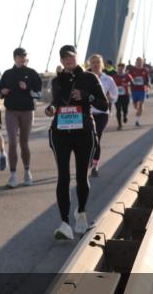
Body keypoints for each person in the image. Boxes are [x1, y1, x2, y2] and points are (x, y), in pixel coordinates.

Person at [44, 45, 108, 240]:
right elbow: (56, 101)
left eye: (70, 57)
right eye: (63, 58)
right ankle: (64, 223)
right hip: (60, 133)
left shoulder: (90, 78)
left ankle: (81, 212)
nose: (67, 60)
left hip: (84, 133)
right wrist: (51, 109)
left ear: (77, 57)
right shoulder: (57, 80)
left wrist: (86, 97)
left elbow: (103, 104)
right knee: (63, 177)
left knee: (81, 176)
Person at [0, 47, 42, 188]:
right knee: (12, 142)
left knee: (24, 142)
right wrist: (2, 92)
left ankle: (27, 172)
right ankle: (12, 176)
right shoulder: (7, 74)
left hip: (27, 111)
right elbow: (1, 91)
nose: (23, 59)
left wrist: (28, 89)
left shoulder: (32, 73)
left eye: (25, 56)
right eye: (20, 56)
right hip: (11, 110)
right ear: (15, 58)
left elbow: (39, 94)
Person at [87, 54, 118, 177]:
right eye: (93, 62)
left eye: (97, 62)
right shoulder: (86, 78)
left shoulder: (108, 79)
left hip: (102, 113)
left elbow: (115, 93)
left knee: (96, 136)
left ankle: (95, 165)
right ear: (90, 65)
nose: (95, 64)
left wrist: (111, 98)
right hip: (88, 112)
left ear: (102, 64)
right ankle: (89, 158)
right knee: (87, 138)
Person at [128, 57, 152, 127]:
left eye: (140, 61)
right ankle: (137, 109)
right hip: (134, 90)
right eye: (138, 61)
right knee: (136, 106)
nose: (139, 63)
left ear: (142, 63)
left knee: (141, 104)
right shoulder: (132, 70)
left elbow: (147, 80)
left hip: (142, 90)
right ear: (135, 62)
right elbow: (128, 79)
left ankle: (138, 120)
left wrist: (148, 86)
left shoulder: (145, 70)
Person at [112, 62, 133, 130]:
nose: (120, 70)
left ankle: (125, 115)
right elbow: (111, 85)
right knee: (118, 109)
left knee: (125, 108)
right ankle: (119, 125)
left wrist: (127, 84)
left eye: (122, 68)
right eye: (119, 68)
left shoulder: (127, 76)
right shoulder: (114, 76)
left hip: (125, 95)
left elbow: (132, 83)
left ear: (124, 69)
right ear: (117, 68)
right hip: (117, 95)